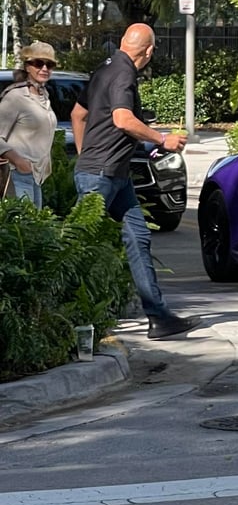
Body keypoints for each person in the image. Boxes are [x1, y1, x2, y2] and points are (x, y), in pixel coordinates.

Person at [71, 24, 198, 339]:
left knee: (138, 237)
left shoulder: (105, 68)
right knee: (78, 248)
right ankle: (63, 320)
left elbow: (77, 114)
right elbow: (122, 119)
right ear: (150, 51)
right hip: (101, 176)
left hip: (114, 175)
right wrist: (163, 139)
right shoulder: (124, 73)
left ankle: (159, 317)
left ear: (123, 42)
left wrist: (85, 154)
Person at [0, 41, 59, 206]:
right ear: (27, 67)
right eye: (39, 63)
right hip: (17, 174)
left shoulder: (44, 96)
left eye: (50, 65)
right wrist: (19, 161)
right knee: (22, 220)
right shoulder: (15, 97)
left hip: (36, 176)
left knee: (34, 221)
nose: (44, 69)